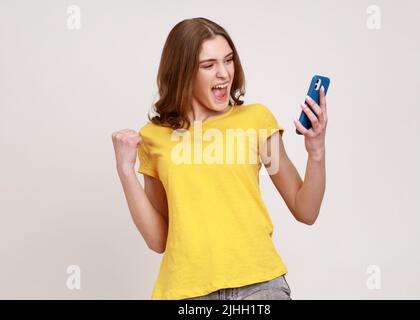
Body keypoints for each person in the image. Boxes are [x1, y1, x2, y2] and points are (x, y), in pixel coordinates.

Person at [111, 17, 328, 300]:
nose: (224, 74)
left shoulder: (256, 121)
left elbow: (305, 210)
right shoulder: (154, 138)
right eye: (209, 65)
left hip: (259, 287)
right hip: (186, 294)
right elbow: (158, 240)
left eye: (228, 60)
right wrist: (125, 171)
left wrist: (316, 151)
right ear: (182, 72)